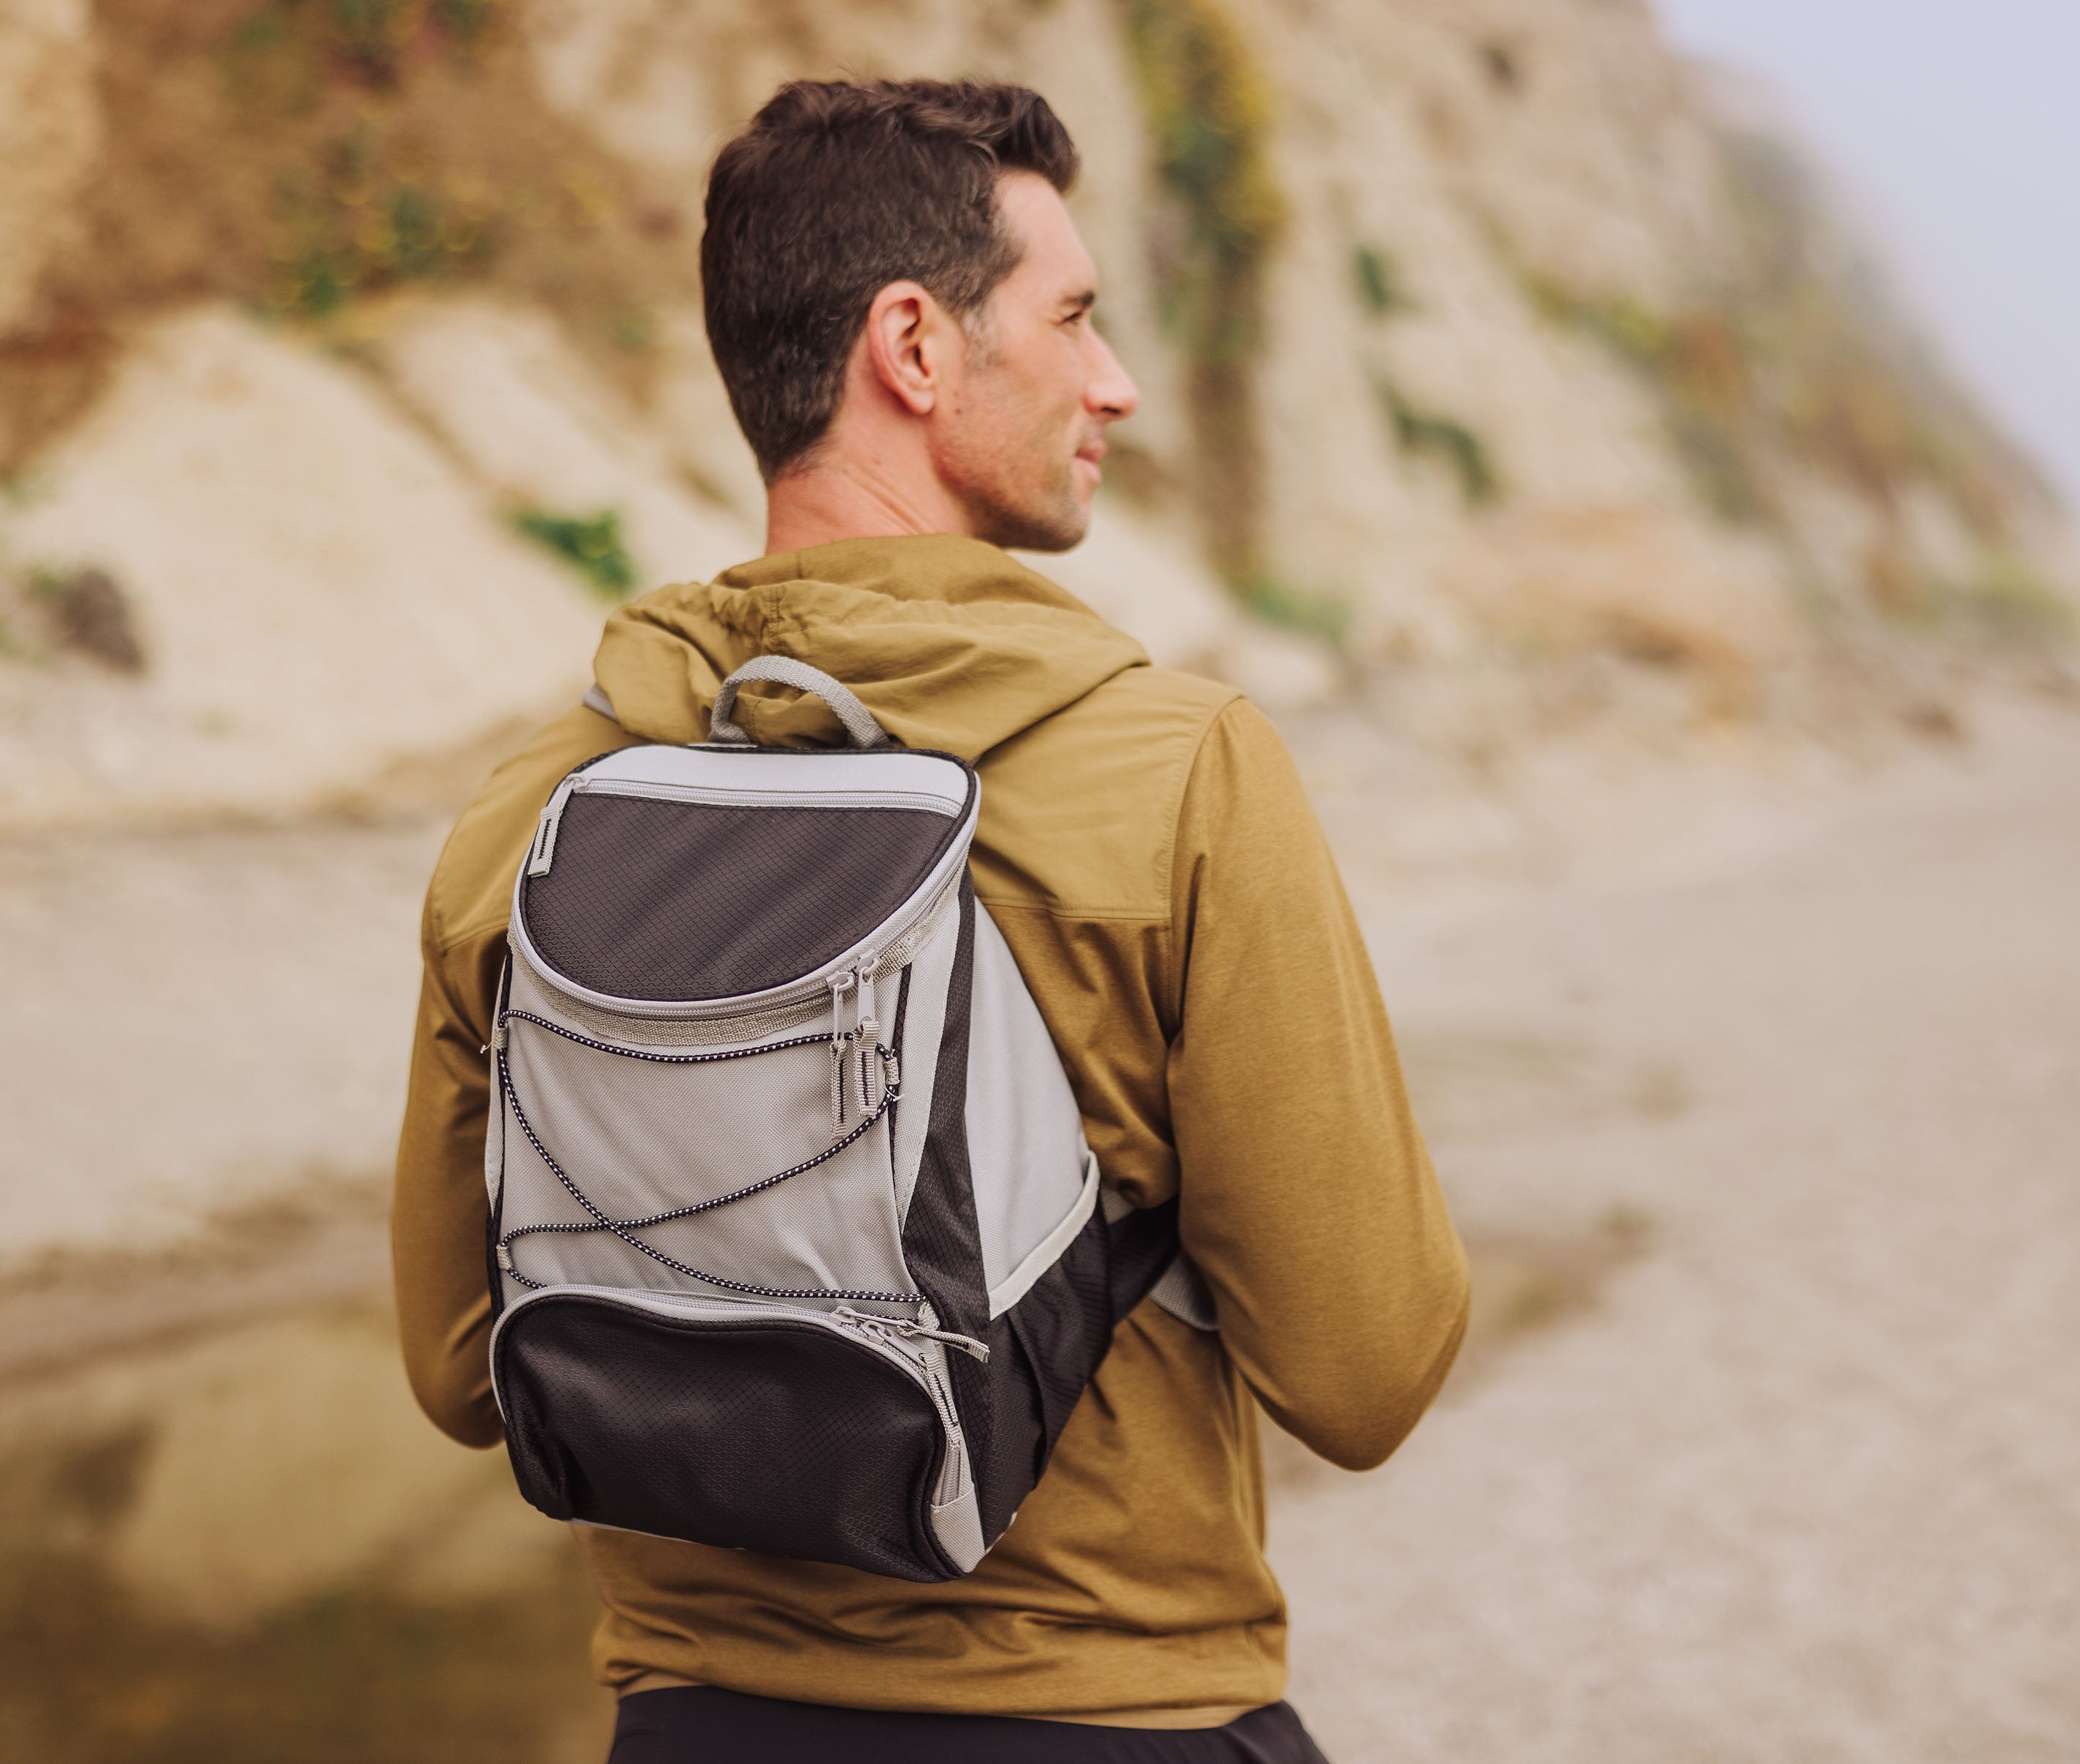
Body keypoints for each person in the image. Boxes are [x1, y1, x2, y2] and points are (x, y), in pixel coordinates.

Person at [392, 78, 1470, 1763]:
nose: (1112, 383)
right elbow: (1368, 1368)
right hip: (1110, 1710)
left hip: (696, 1725)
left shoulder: (541, 804)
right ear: (914, 344)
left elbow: (466, 1371)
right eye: (1073, 318)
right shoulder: (1177, 768)